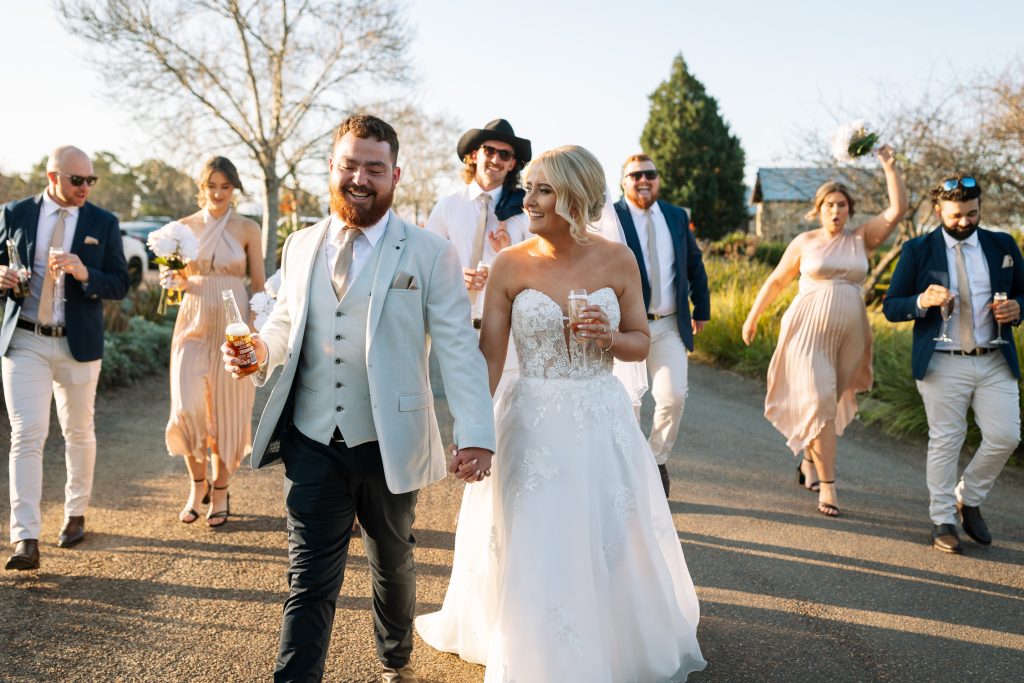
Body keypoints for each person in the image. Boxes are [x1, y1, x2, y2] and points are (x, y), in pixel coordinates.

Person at [416, 145, 706, 682]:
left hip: (600, 413)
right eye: (527, 187)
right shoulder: (511, 263)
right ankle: (534, 647)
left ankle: (608, 637)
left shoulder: (618, 261)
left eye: (542, 189)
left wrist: (611, 336)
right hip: (531, 419)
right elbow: (490, 360)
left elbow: (642, 341)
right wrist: (471, 431)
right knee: (538, 533)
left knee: (606, 532)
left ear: (576, 196)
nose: (527, 199)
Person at [222, 114, 495, 683]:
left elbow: (458, 351)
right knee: (309, 578)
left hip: (387, 441)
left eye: (374, 167)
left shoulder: (429, 252)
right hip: (312, 437)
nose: (360, 178)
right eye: (350, 164)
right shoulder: (300, 245)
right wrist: (259, 352)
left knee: (391, 562)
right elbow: (286, 323)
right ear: (332, 167)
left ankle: (395, 654)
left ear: (395, 174)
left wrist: (475, 433)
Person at [742, 146, 907, 517]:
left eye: (842, 205)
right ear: (819, 208)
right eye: (829, 204)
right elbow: (776, 280)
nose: (836, 210)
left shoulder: (862, 238)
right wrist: (752, 317)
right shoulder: (804, 242)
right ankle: (829, 486)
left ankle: (808, 463)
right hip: (806, 331)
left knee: (826, 405)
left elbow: (897, 211)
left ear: (850, 209)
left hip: (850, 335)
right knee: (818, 402)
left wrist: (889, 166)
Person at [1, 145, 130, 570]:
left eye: (91, 180)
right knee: (28, 434)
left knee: (78, 431)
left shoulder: (103, 222)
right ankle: (25, 538)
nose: (85, 188)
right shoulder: (15, 213)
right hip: (26, 341)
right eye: (78, 180)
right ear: (52, 176)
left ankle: (75, 514)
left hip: (78, 343)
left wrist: (85, 272)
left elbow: (120, 283)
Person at [882, 174, 1023, 553]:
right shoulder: (917, 250)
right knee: (946, 439)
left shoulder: (1002, 245)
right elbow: (892, 306)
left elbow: (1023, 292)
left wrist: (1017, 307)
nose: (965, 222)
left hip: (994, 356)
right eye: (957, 215)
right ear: (938, 210)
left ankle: (969, 497)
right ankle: (942, 518)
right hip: (942, 361)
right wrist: (922, 301)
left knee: (1006, 436)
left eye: (972, 214)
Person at [163, 156, 264, 526]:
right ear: (201, 188)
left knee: (228, 411)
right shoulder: (182, 228)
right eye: (212, 186)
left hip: (233, 323)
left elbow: (259, 284)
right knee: (187, 407)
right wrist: (173, 283)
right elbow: (177, 280)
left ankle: (220, 490)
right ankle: (197, 484)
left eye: (226, 186)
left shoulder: (248, 228)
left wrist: (254, 331)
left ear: (234, 188)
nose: (219, 193)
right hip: (192, 322)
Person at [612, 154, 710, 496]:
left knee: (673, 396)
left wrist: (701, 308)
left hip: (668, 324)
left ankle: (655, 461)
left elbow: (694, 264)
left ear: (658, 179)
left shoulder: (676, 215)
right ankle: (628, 470)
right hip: (625, 325)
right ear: (623, 181)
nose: (643, 179)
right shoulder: (611, 217)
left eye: (650, 174)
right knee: (629, 402)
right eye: (635, 174)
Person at [426, 118, 531, 397]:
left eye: (505, 154)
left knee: (501, 412)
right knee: (463, 406)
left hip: (506, 332)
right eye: (489, 151)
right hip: (457, 328)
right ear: (474, 155)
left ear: (512, 164)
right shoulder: (448, 206)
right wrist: (455, 274)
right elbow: (425, 262)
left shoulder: (525, 212)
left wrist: (508, 252)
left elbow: (539, 270)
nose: (495, 159)